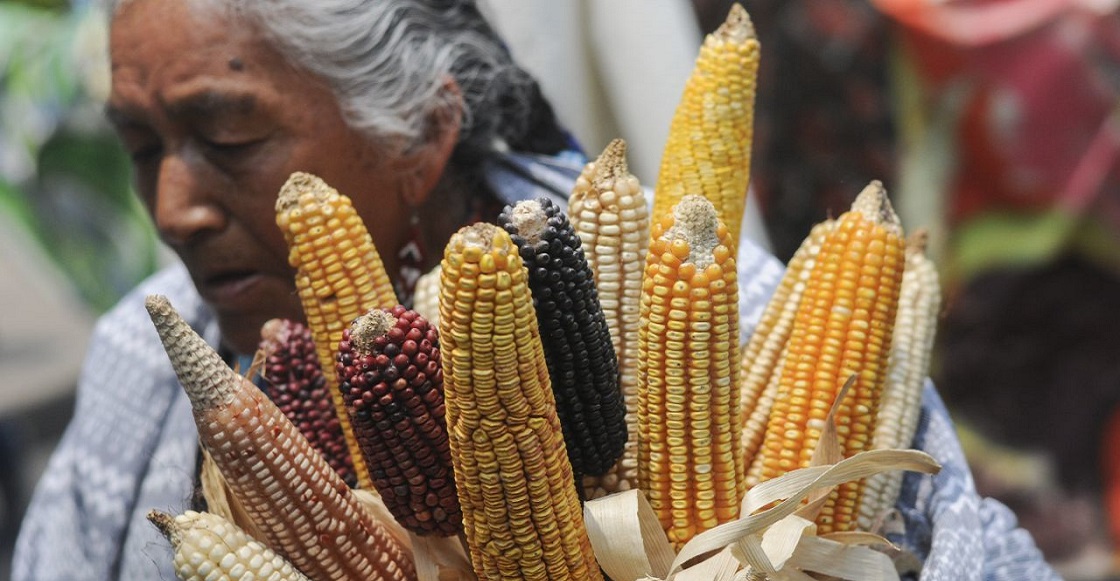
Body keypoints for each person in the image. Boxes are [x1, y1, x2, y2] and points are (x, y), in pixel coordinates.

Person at [13, 1, 1058, 580]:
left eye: (229, 137)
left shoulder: (735, 315)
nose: (174, 204)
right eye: (141, 148)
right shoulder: (143, 354)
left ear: (426, 131)